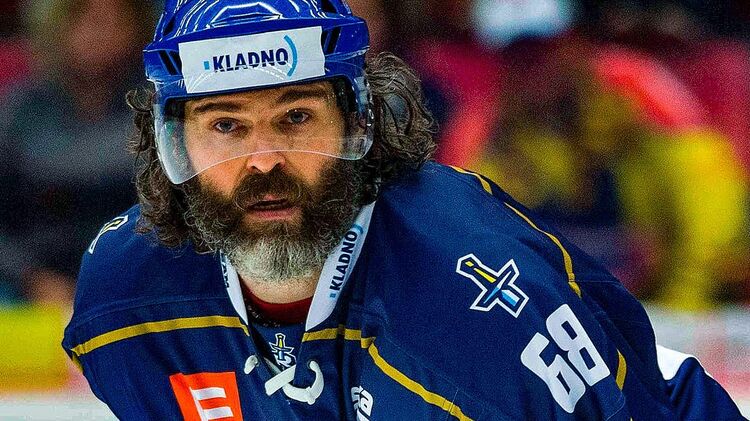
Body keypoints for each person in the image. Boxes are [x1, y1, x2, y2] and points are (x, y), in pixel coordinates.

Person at [62, 1, 745, 419]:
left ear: (359, 125)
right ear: (171, 148)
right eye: (226, 125)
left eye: (296, 117)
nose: (264, 160)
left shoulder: (480, 321)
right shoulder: (122, 305)